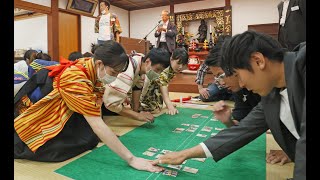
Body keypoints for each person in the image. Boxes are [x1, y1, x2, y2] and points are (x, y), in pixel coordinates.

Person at [152, 31, 305, 179]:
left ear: (258, 61)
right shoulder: (271, 94)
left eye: (237, 74)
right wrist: (183, 155)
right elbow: (243, 130)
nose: (241, 84)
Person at [14, 40, 163, 173]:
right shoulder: (76, 77)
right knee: (57, 150)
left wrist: (104, 132)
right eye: (113, 72)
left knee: (89, 139)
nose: (115, 77)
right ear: (100, 64)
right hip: (44, 113)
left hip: (67, 108)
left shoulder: (91, 65)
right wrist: (131, 159)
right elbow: (96, 123)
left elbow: (95, 107)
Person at [103, 48, 171, 122]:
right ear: (148, 61)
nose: (158, 74)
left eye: (161, 71)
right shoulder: (127, 73)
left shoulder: (141, 61)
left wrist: (136, 110)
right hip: (100, 101)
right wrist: (138, 116)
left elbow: (137, 87)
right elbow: (111, 105)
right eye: (157, 69)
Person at [139, 48, 189, 115]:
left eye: (183, 65)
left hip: (152, 88)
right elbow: (163, 89)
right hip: (146, 88)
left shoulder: (172, 69)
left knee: (157, 108)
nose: (180, 67)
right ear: (171, 59)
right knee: (154, 110)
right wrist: (170, 106)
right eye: (178, 63)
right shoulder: (165, 69)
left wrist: (169, 104)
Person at [195, 36, 233, 103]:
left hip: (234, 86)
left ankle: (229, 95)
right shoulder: (214, 57)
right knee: (204, 96)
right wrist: (200, 88)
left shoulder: (233, 56)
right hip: (218, 86)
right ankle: (225, 95)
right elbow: (201, 70)